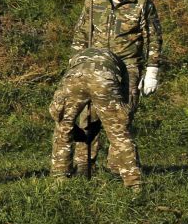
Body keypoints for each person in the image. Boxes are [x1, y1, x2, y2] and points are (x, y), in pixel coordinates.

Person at [70, 0, 163, 170]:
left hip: (127, 66)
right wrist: (76, 64)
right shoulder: (94, 0)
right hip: (97, 65)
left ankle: (118, 168)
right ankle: (83, 165)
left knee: (122, 117)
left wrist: (152, 71)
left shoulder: (142, 4)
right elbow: (81, 33)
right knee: (88, 115)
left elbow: (154, 39)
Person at [49, 48, 142, 188]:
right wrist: (117, 119)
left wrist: (68, 123)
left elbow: (56, 112)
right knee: (119, 132)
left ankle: (60, 177)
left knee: (63, 127)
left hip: (75, 78)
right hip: (104, 79)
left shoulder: (76, 59)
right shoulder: (120, 63)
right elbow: (125, 103)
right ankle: (134, 183)